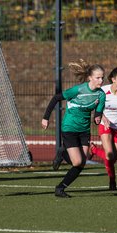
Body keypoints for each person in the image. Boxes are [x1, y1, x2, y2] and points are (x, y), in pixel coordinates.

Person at [41, 59, 106, 198]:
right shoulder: (78, 89)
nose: (101, 80)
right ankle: (63, 153)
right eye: (98, 77)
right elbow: (56, 98)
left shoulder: (101, 94)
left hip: (84, 130)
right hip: (69, 127)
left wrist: (98, 118)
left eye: (102, 77)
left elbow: (98, 111)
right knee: (77, 161)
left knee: (82, 162)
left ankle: (60, 188)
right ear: (90, 77)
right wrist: (45, 117)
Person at [88, 67, 117, 190]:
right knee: (109, 155)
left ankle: (93, 150)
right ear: (113, 79)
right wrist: (103, 118)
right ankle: (112, 181)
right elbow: (96, 108)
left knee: (113, 158)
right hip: (105, 125)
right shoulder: (102, 91)